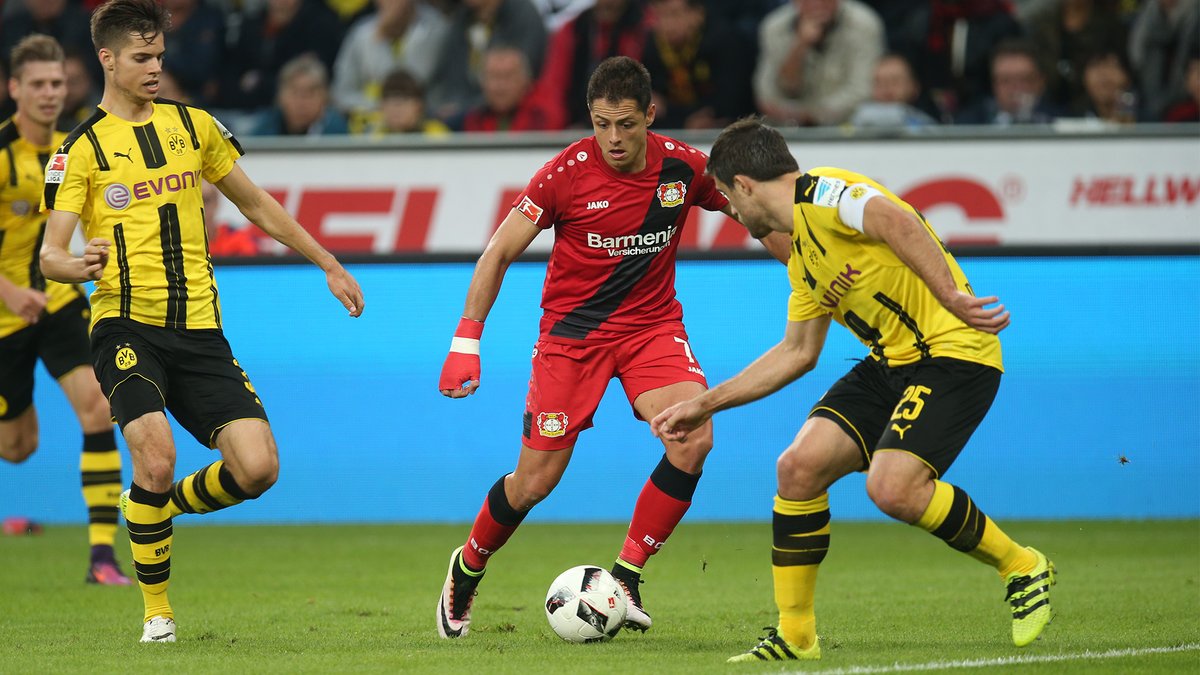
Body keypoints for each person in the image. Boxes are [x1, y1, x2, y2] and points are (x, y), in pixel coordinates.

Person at [651, 119, 1056, 662]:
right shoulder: (803, 258)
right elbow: (797, 352)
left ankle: (1022, 566)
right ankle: (796, 637)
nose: (732, 212)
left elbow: (897, 218)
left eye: (726, 196)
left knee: (893, 488)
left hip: (954, 352)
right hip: (890, 363)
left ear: (743, 185)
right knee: (798, 469)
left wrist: (951, 295)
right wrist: (703, 404)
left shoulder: (822, 192)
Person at [40, 0, 364, 643]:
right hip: (125, 327)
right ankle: (157, 611)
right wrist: (75, 266)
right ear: (106, 59)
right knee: (154, 456)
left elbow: (255, 203)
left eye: (159, 54)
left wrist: (327, 261)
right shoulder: (79, 150)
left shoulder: (193, 126)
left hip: (201, 331)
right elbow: (50, 252)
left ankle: (155, 510)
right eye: (141, 58)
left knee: (258, 469)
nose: (156, 67)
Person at [434, 56, 790, 640]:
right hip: (571, 340)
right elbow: (496, 253)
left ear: (649, 114)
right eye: (602, 123)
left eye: (626, 123)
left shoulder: (685, 167)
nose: (614, 138)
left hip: (651, 330)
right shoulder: (562, 175)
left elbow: (757, 215)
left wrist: (807, 264)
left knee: (693, 434)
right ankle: (468, 566)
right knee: (534, 484)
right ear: (590, 118)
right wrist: (465, 341)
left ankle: (626, 575)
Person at [0, 34, 131, 587]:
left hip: (57, 304)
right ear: (15, 89)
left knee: (100, 410)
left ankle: (102, 557)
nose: (50, 93)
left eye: (57, 83)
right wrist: (9, 293)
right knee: (19, 447)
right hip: (5, 314)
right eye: (38, 84)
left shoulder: (71, 152)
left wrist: (92, 255)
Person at [753, 0, 884, 126]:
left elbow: (861, 91)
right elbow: (768, 96)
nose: (817, 4)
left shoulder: (864, 24)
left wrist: (810, 115)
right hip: (788, 131)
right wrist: (800, 45)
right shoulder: (774, 27)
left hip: (848, 129)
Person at [956, 40, 1063, 124]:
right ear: (994, 84)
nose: (1015, 88)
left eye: (1023, 79)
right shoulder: (970, 124)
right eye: (1005, 80)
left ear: (1040, 82)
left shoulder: (1062, 121)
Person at [249, 54, 349, 137]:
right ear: (281, 97)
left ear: (324, 97)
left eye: (310, 93)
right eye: (295, 92)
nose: (302, 102)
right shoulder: (264, 130)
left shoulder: (337, 132)